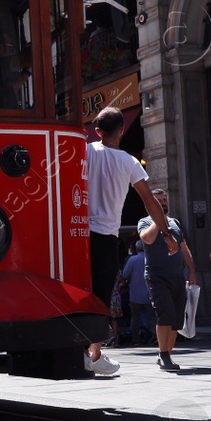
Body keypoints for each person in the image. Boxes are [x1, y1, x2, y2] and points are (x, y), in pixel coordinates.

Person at [86, 105, 173, 376]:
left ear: (97, 131)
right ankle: (94, 354)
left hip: (76, 234)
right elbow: (149, 201)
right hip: (105, 236)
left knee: (78, 289)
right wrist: (167, 233)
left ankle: (78, 348)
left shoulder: (85, 151)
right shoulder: (129, 162)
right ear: (122, 130)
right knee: (100, 297)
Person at [136, 188, 199, 372]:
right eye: (158, 201)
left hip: (177, 276)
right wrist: (158, 219)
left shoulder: (175, 223)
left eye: (164, 200)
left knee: (176, 319)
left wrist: (192, 270)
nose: (163, 203)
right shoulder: (145, 222)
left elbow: (183, 247)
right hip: (156, 277)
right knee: (166, 314)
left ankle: (167, 355)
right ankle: (164, 355)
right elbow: (146, 239)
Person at [117, 243, 154, 347]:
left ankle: (136, 339)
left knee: (135, 318)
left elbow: (125, 274)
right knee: (152, 317)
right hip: (149, 293)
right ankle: (155, 336)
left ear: (136, 249)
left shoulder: (132, 260)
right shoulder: (150, 258)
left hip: (135, 294)